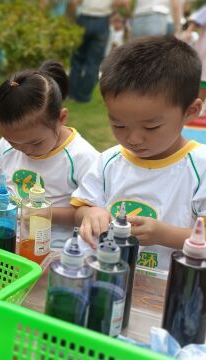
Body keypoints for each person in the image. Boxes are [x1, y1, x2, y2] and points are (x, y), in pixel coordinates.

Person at [72, 36, 206, 275]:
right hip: (108, 275)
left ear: (190, 111)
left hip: (170, 287)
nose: (133, 139)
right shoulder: (109, 162)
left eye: (151, 127)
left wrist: (163, 234)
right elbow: (82, 206)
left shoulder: (199, 167)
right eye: (119, 125)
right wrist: (92, 213)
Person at [0, 60, 98, 243]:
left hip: (51, 241)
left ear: (61, 118)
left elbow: (89, 213)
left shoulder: (82, 156)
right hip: (1, 228)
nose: (24, 150)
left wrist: (46, 213)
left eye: (35, 143)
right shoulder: (9, 145)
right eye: (13, 142)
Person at [69, 0, 129, 103]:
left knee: (77, 60)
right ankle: (83, 96)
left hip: (83, 19)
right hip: (102, 21)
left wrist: (72, 19)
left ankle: (72, 95)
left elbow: (74, 2)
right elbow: (122, 2)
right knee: (94, 63)